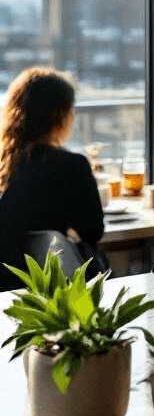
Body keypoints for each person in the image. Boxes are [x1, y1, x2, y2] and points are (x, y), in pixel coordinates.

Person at [0, 68, 105, 290]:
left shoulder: (5, 165)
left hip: (9, 290)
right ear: (60, 117)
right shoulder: (71, 165)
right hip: (59, 291)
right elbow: (93, 230)